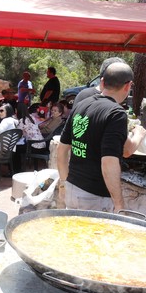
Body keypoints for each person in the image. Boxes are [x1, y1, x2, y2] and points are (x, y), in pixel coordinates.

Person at [57, 62, 134, 212]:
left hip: (72, 188)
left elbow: (62, 149)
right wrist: (119, 204)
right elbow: (109, 163)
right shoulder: (116, 114)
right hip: (94, 197)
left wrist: (63, 182)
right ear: (128, 86)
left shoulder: (81, 104)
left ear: (102, 82)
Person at [73, 57, 146, 157]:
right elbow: (126, 150)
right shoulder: (108, 103)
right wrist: (139, 135)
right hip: (97, 161)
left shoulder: (84, 95)